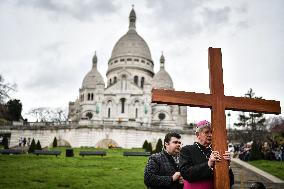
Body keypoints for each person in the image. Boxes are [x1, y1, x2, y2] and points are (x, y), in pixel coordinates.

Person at [179, 120, 234, 189]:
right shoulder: (187, 150)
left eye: (211, 132)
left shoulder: (216, 151)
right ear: (197, 135)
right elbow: (186, 173)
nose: (210, 135)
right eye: (206, 132)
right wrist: (208, 164)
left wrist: (227, 166)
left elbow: (231, 182)